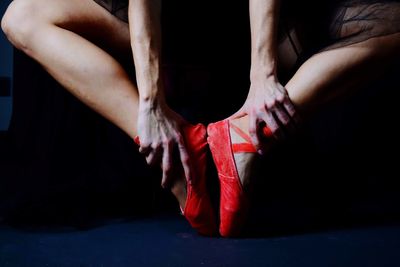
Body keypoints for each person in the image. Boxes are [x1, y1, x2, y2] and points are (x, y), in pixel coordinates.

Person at [1, 0, 400, 237]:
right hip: (173, 25)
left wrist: (262, 76)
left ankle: (248, 132)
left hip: (254, 28)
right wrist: (151, 102)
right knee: (22, 18)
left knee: (393, 21)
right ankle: (170, 146)